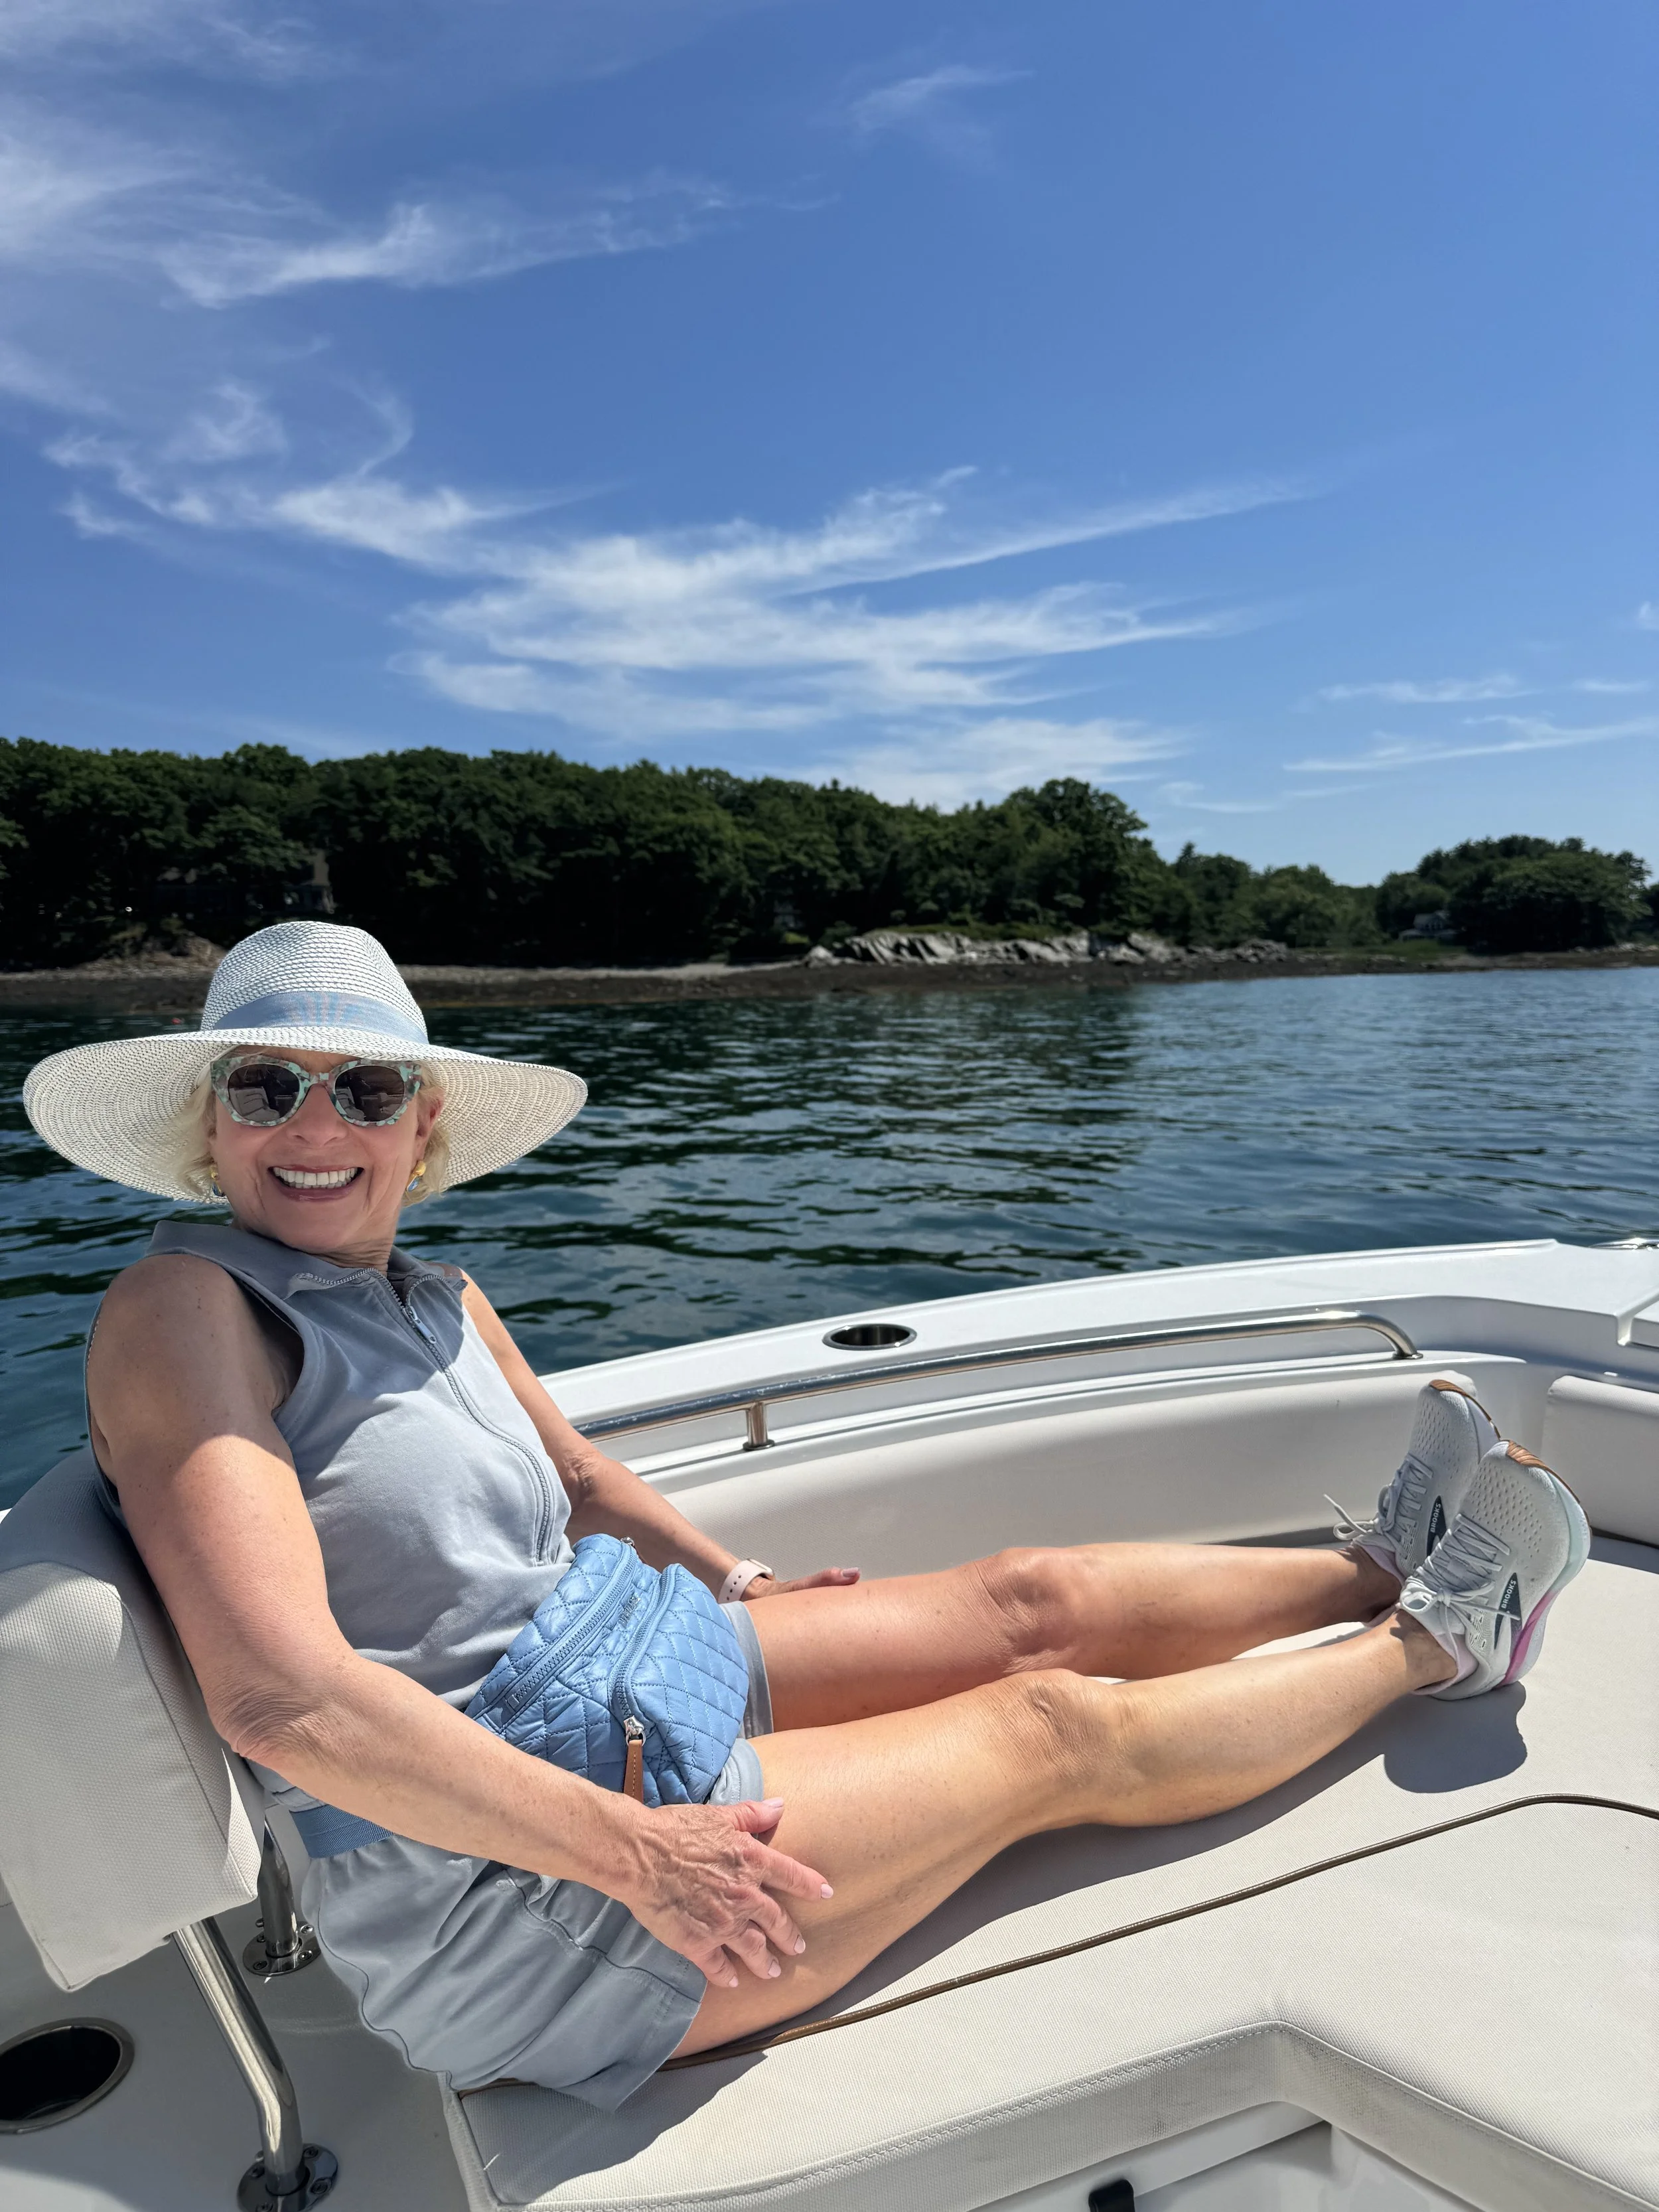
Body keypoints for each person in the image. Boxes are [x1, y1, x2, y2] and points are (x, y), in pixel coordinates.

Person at [23, 921, 1591, 2111]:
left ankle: (1363, 1563)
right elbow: (282, 1695)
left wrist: (726, 1570)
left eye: (365, 1085)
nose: (318, 1119)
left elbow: (579, 1482)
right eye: (267, 1083)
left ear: (420, 1125)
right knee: (1047, 1724)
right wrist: (637, 1855)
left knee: (1020, 1595)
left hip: (625, 1666)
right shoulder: (187, 1307)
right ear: (213, 1123)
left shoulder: (434, 1290)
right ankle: (1439, 1640)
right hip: (504, 1879)